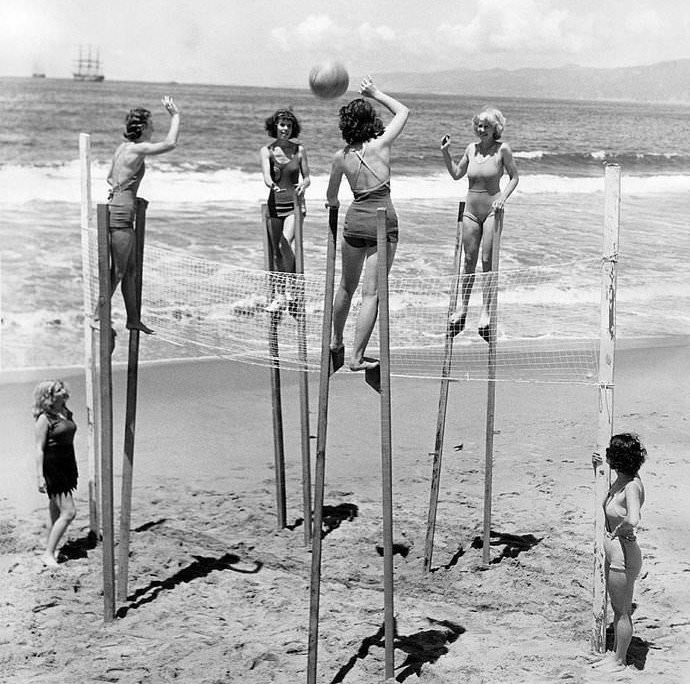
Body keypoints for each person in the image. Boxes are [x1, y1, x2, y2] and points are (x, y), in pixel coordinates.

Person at [326, 76, 409, 371]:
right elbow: (403, 112)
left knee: (345, 288)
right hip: (382, 222)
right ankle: (357, 357)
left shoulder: (340, 157)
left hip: (355, 220)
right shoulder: (382, 143)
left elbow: (332, 198)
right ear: (371, 120)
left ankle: (336, 342)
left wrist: (334, 205)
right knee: (371, 293)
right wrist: (375, 92)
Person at [440, 107, 519, 341]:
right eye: (479, 126)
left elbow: (514, 177)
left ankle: (485, 311)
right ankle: (462, 309)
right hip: (471, 212)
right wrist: (445, 152)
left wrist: (503, 199)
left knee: (486, 261)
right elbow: (456, 174)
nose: (481, 130)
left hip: (492, 210)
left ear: (496, 128)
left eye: (486, 126)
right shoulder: (470, 149)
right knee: (468, 261)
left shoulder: (502, 149)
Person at [106, 96, 180, 336]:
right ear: (142, 128)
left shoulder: (122, 148)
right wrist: (176, 116)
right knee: (117, 270)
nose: (154, 128)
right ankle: (98, 315)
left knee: (130, 270)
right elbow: (170, 144)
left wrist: (128, 195)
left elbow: (110, 178)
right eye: (151, 124)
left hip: (118, 207)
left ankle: (133, 319)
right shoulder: (139, 148)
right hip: (121, 215)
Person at [592, 433, 647, 673]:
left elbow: (634, 517)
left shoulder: (632, 486)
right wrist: (597, 467)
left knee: (622, 611)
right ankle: (616, 655)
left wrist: (623, 528)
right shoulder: (621, 480)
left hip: (623, 556)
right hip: (616, 553)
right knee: (617, 608)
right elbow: (606, 499)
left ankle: (620, 660)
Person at [260, 108, 311, 312]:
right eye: (282, 125)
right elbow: (266, 175)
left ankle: (291, 289)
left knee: (284, 243)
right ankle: (280, 295)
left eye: (289, 126)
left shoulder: (299, 151)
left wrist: (303, 185)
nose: (285, 129)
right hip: (274, 205)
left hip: (295, 206)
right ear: (275, 126)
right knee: (275, 253)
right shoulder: (267, 151)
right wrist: (270, 183)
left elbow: (307, 177)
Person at [33, 380, 79, 567]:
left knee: (55, 507)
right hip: (53, 467)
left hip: (67, 463)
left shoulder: (66, 412)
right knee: (69, 512)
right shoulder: (45, 418)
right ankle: (49, 554)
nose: (64, 391)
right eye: (58, 389)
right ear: (49, 396)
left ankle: (51, 545)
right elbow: (39, 448)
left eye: (62, 388)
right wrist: (39, 476)